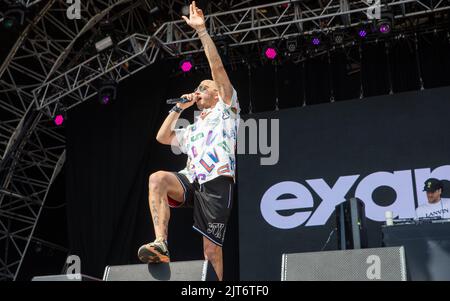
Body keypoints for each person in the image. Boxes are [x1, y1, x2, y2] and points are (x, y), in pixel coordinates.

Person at [137, 1, 240, 281]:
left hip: (216, 179)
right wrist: (179, 108)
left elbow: (217, 70)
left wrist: (202, 32)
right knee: (157, 178)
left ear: (217, 94)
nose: (198, 90)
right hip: (191, 177)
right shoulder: (193, 126)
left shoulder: (227, 109)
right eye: (197, 88)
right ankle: (161, 243)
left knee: (211, 250)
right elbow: (162, 137)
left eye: (203, 88)